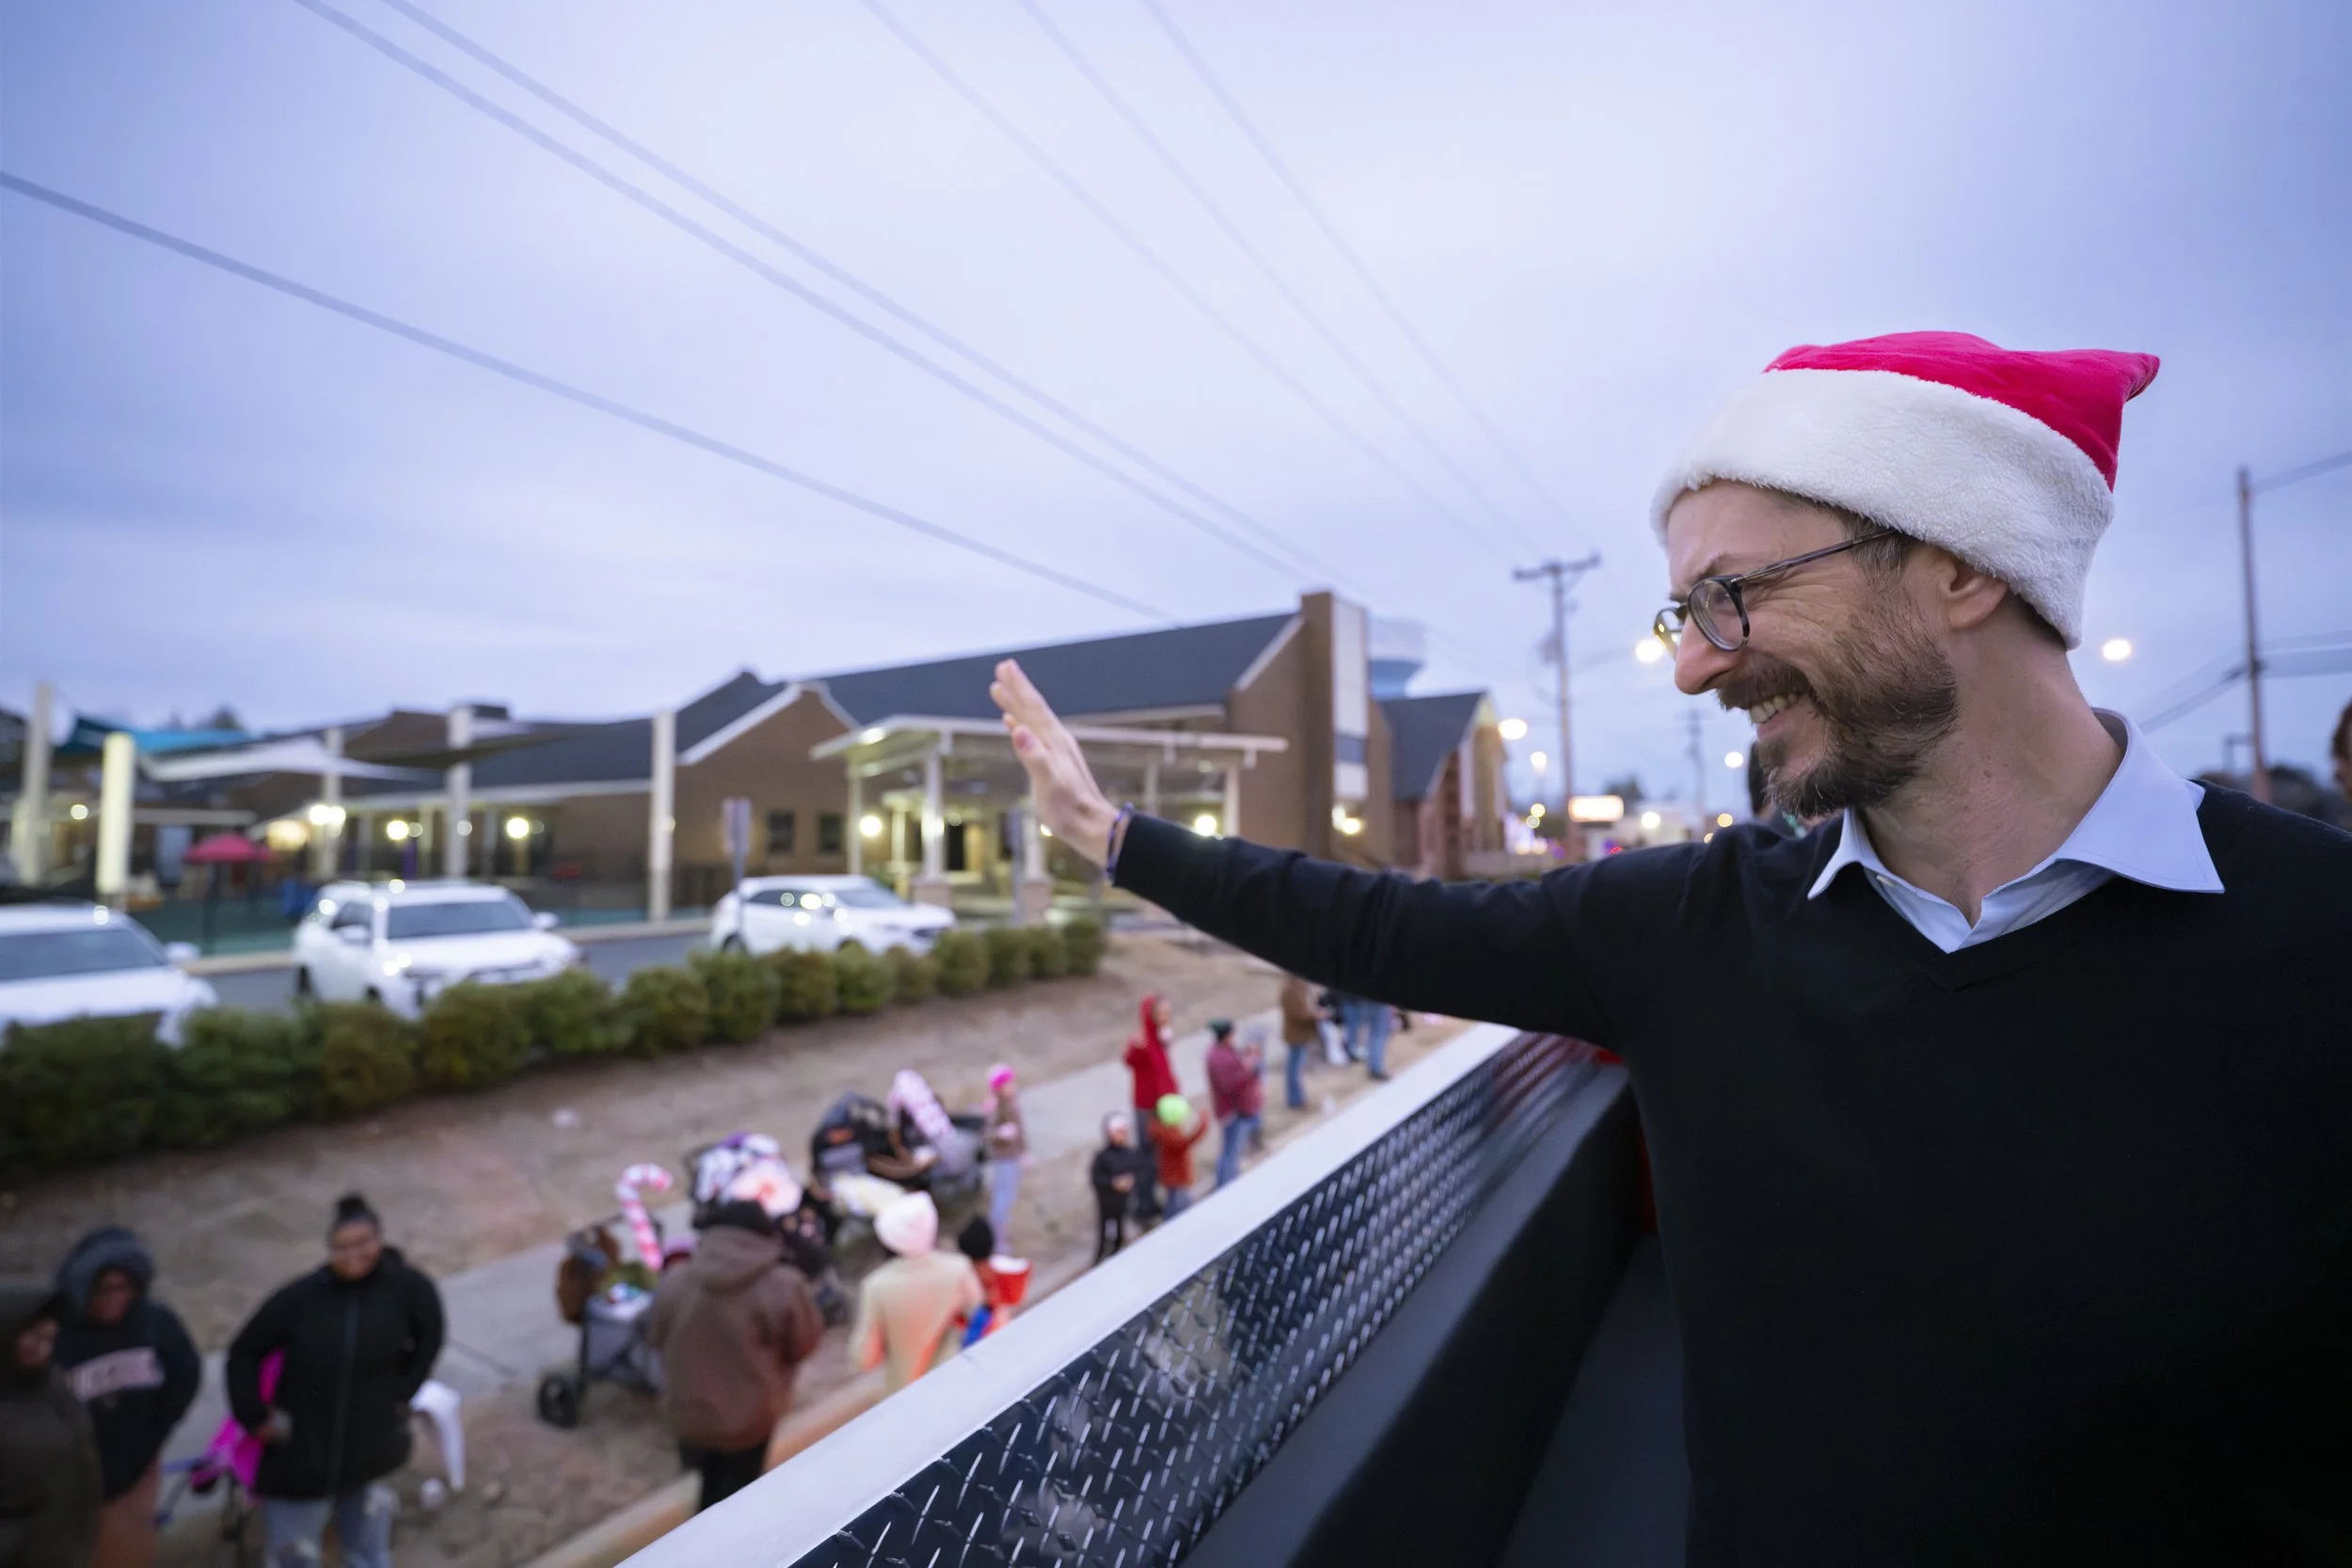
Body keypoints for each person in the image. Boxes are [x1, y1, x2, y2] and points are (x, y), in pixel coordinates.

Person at [993, 331, 2352, 1563]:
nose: (1696, 666)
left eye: (1732, 593)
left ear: (1962, 562)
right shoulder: (1688, 927)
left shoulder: (2319, 934)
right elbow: (1379, 922)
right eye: (1682, 616)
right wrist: (1118, 836)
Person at [226, 1194, 444, 1568]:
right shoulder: (301, 1299)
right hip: (304, 1456)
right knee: (295, 1556)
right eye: (342, 1247)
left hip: (371, 1452)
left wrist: (405, 1391)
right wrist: (255, 1417)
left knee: (371, 1552)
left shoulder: (408, 1290)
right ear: (328, 1249)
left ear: (379, 1238)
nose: (354, 1254)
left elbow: (432, 1336)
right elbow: (243, 1353)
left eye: (364, 1243)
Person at [644, 1200, 822, 1513]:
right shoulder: (782, 1284)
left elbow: (654, 1337)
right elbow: (803, 1343)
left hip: (688, 1414)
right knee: (736, 1499)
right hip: (748, 1420)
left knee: (706, 1483)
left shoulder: (676, 1281)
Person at [51, 1228, 199, 1568]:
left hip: (136, 1469)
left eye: (125, 1287)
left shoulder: (154, 1321)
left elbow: (185, 1375)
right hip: (69, 1479)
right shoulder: (55, 1331)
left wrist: (155, 1434)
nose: (116, 1297)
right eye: (104, 1289)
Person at [1, 1277, 102, 1568]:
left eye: (47, 1337)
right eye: (31, 1337)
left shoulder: (52, 1382)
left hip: (65, 1549)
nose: (42, 1349)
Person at [850, 1193, 982, 1394]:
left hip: (906, 1393)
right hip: (957, 1382)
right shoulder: (959, 1269)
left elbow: (865, 1357)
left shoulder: (876, 1286)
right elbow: (980, 1319)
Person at [1120, 996, 1177, 1222]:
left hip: (1163, 1105)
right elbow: (1129, 1060)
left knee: (1157, 1157)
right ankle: (1143, 1205)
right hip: (1147, 1107)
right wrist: (1136, 1047)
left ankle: (1152, 1199)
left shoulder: (1162, 1038)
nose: (1166, 1017)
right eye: (1162, 1013)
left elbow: (1165, 1071)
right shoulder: (1142, 1041)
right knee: (1146, 1158)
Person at [1203, 1020, 1263, 1190]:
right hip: (1234, 1111)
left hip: (1232, 1109)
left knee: (1229, 1149)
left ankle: (1225, 1180)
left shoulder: (1219, 1052)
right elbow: (1231, 1083)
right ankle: (1227, 1185)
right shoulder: (1220, 1058)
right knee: (1231, 1151)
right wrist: (1250, 1067)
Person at [980, 1064, 1027, 1244]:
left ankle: (1003, 1227)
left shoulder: (1012, 1103)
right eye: (1008, 1084)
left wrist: (1023, 1152)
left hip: (1013, 1155)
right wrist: (999, 1133)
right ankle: (997, 1236)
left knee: (1010, 1195)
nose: (1012, 1087)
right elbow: (985, 1133)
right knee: (1002, 1197)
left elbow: (1020, 1130)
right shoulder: (993, 1107)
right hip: (1003, 1158)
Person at [1089, 1114, 1143, 1263]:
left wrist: (1132, 1181)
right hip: (1107, 1206)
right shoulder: (1102, 1157)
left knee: (1122, 1233)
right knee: (1107, 1236)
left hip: (1125, 1204)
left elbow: (1140, 1172)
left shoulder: (1131, 1154)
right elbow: (1096, 1179)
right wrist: (1113, 1183)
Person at [1145, 1094, 1209, 1220]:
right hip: (1178, 1178)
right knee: (1183, 1207)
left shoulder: (1160, 1128)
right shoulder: (1169, 1134)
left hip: (1171, 1177)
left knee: (1172, 1204)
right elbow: (1185, 1143)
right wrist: (1202, 1126)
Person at [1277, 974, 1319, 1110]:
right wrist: (1316, 1016)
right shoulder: (1291, 990)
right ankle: (1295, 1100)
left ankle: (1297, 1098)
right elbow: (1299, 1013)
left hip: (1298, 1034)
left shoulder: (1295, 987)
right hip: (1296, 1035)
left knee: (1296, 1067)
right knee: (1294, 1069)